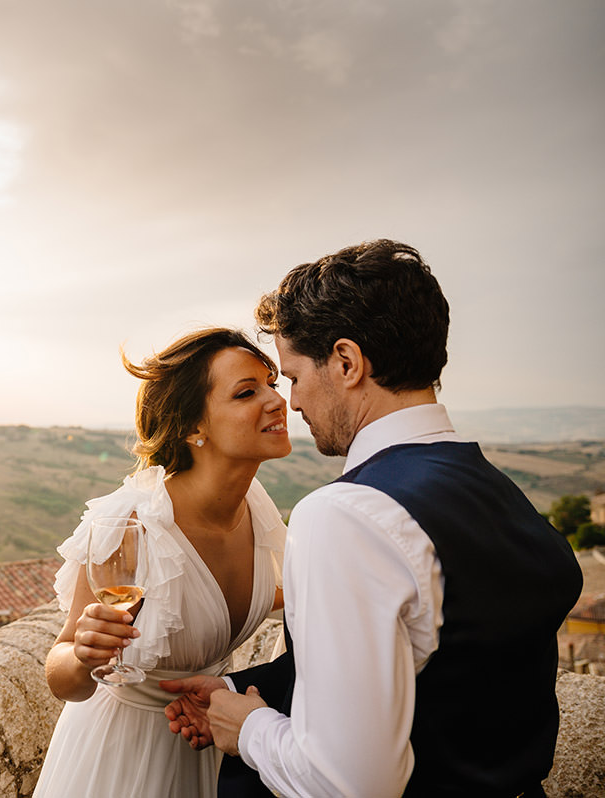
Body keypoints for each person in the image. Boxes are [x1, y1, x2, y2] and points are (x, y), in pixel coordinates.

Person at [162, 239, 583, 797]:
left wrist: (248, 728)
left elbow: (350, 785)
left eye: (292, 376)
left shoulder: (345, 515)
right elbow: (439, 667)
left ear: (346, 362)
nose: (292, 402)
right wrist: (240, 686)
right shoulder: (496, 489)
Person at [34, 327, 293, 798]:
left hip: (209, 745)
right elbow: (61, 675)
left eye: (272, 383)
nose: (277, 401)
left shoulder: (257, 505)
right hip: (119, 759)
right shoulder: (132, 522)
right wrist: (85, 654)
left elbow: (272, 594)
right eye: (246, 392)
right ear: (194, 426)